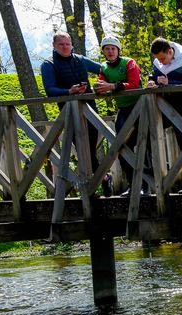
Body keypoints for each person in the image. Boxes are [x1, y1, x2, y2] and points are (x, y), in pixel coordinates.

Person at [40, 31, 107, 193]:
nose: (64, 47)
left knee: (90, 148)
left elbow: (104, 70)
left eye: (67, 44)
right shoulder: (48, 64)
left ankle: (98, 182)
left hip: (89, 108)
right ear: (54, 46)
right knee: (83, 149)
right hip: (69, 111)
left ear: (71, 45)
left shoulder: (80, 60)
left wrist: (108, 83)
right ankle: (99, 182)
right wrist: (69, 91)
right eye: (61, 44)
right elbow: (50, 90)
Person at [146, 38, 182, 194]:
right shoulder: (159, 63)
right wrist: (152, 81)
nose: (161, 62)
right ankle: (153, 181)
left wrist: (170, 82)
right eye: (157, 59)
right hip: (163, 110)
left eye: (162, 58)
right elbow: (154, 77)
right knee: (147, 136)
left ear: (170, 51)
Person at [94, 36, 145, 195]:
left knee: (144, 145)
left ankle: (146, 186)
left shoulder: (129, 63)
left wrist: (112, 86)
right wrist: (98, 88)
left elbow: (134, 84)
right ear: (103, 51)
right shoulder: (104, 67)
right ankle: (133, 185)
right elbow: (101, 84)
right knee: (122, 147)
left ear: (118, 50)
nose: (110, 52)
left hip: (139, 107)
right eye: (107, 49)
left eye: (113, 49)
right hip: (122, 109)